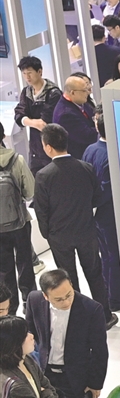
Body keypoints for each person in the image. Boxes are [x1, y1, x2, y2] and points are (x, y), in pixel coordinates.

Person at [33, 124, 114, 326]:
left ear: (48, 147)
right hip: (86, 231)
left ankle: (78, 320)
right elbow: (97, 197)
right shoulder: (85, 168)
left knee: (68, 278)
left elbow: (41, 210)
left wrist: (48, 234)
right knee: (95, 273)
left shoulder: (44, 175)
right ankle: (104, 315)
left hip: (59, 236)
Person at [26, 268, 108, 398]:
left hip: (78, 376)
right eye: (59, 299)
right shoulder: (34, 300)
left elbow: (100, 351)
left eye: (69, 295)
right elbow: (30, 331)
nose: (66, 302)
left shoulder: (91, 309)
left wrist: (95, 383)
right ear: (46, 296)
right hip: (47, 374)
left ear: (71, 285)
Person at [83, 112, 120, 312]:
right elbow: (107, 189)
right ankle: (115, 298)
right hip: (110, 213)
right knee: (114, 256)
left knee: (106, 255)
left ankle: (109, 294)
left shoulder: (90, 150)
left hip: (96, 214)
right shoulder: (112, 155)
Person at [0, 122, 36, 315]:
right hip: (20, 222)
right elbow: (30, 192)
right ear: (3, 136)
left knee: (4, 270)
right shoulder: (17, 160)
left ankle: (9, 311)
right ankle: (30, 306)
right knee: (25, 263)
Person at [14, 55, 62, 175]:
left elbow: (45, 121)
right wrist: (33, 122)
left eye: (30, 73)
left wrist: (27, 121)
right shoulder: (26, 92)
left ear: (39, 71)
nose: (27, 77)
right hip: (35, 146)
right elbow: (19, 114)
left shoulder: (53, 93)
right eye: (24, 73)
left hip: (52, 144)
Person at [51, 75, 98, 160]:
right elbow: (88, 136)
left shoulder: (80, 102)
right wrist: (102, 128)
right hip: (80, 158)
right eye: (84, 90)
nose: (87, 93)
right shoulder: (65, 114)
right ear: (72, 92)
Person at [91, 24, 120, 88]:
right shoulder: (116, 50)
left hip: (96, 87)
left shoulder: (89, 55)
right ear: (104, 37)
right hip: (115, 84)